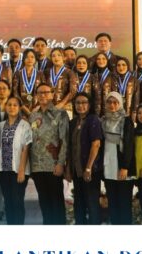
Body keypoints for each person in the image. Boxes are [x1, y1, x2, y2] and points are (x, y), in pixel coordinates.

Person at [28, 84, 69, 225]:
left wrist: (60, 163)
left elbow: (64, 140)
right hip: (37, 166)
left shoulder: (60, 114)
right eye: (39, 93)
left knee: (56, 203)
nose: (42, 95)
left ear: (52, 94)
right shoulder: (33, 115)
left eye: (46, 92)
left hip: (53, 165)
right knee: (44, 203)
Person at [67, 93, 103, 225]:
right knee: (79, 204)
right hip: (77, 171)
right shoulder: (73, 122)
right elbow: (71, 147)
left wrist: (88, 168)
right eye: (77, 103)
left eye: (84, 102)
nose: (80, 105)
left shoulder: (93, 120)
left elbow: (96, 144)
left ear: (89, 104)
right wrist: (68, 169)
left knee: (92, 204)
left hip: (90, 171)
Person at [101, 92, 135, 225]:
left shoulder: (126, 121)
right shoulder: (103, 121)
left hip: (122, 168)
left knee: (124, 204)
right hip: (108, 167)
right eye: (109, 102)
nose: (112, 105)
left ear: (120, 104)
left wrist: (125, 167)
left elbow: (129, 144)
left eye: (115, 102)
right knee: (113, 204)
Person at [0, 96, 32, 225]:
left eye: (15, 105)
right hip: (3, 169)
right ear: (5, 107)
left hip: (18, 170)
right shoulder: (0, 126)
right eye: (9, 105)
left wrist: (21, 169)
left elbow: (26, 147)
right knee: (8, 201)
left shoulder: (24, 125)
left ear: (19, 108)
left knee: (17, 201)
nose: (12, 107)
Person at [44, 47, 77, 115]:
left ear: (64, 57)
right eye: (53, 56)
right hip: (48, 106)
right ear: (51, 58)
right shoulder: (46, 72)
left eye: (59, 55)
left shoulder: (70, 72)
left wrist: (61, 104)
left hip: (65, 107)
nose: (56, 58)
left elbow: (73, 91)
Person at [13, 49, 42, 117]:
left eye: (32, 57)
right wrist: (23, 107)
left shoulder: (40, 74)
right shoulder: (18, 73)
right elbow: (15, 92)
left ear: (35, 59)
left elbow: (43, 91)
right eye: (27, 57)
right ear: (23, 59)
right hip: (20, 108)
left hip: (37, 109)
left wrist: (37, 106)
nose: (29, 59)